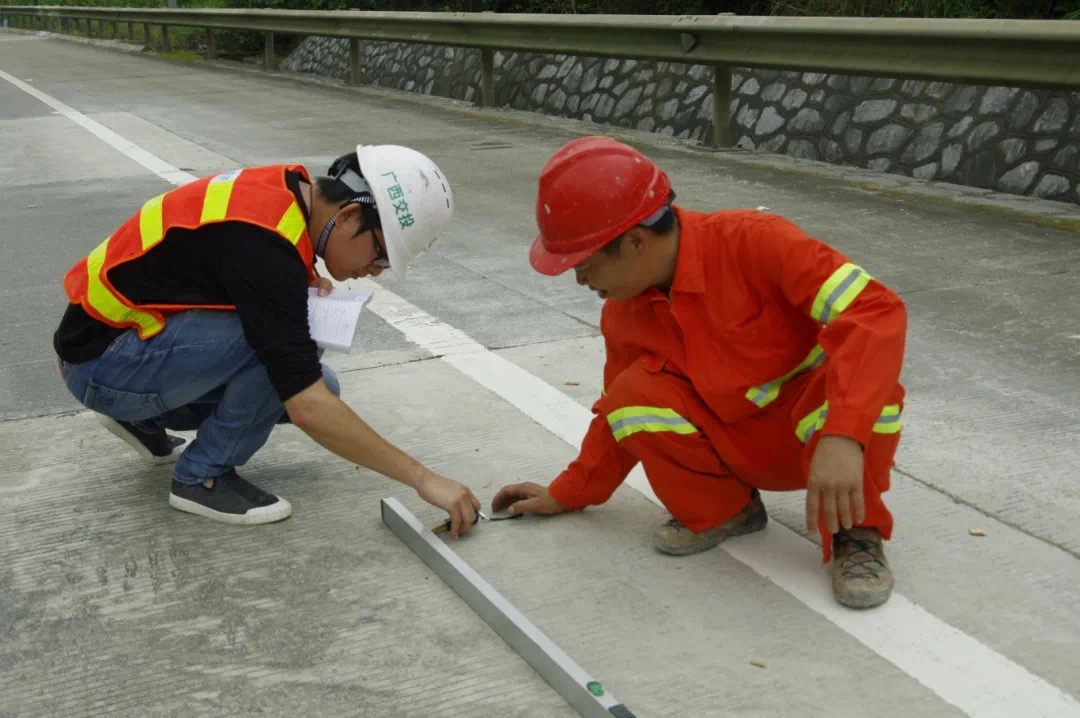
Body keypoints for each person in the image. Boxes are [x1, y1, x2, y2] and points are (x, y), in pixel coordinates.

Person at [492, 136, 907, 609]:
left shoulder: (755, 241)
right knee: (632, 396)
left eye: (585, 266)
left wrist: (844, 434)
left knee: (871, 384)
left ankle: (857, 535)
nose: (581, 281)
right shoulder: (624, 314)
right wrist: (567, 493)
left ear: (634, 242)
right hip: (735, 450)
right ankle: (728, 511)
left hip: (821, 445)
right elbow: (614, 420)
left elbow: (875, 312)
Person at [54, 144, 481, 536]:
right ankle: (202, 477)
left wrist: (301, 282)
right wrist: (424, 479)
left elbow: (217, 270)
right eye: (381, 255)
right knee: (293, 365)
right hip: (103, 365)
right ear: (350, 215)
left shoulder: (286, 191)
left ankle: (142, 418)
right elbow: (307, 406)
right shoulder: (265, 247)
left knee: (320, 380)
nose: (375, 271)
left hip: (110, 342)